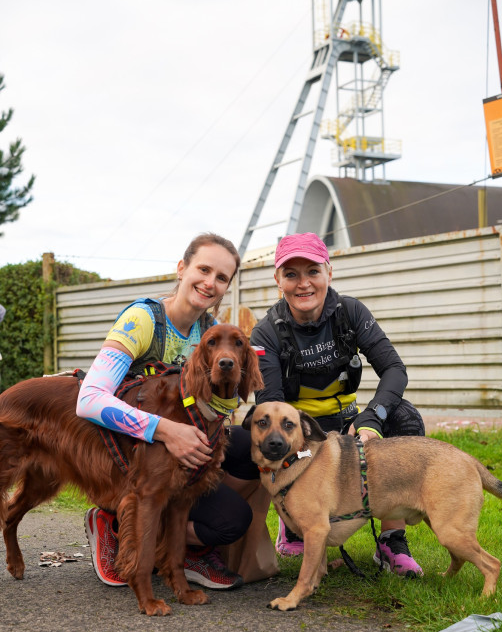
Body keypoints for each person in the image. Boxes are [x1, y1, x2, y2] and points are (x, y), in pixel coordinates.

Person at [77, 232, 260, 590]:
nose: (210, 282)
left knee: (248, 450)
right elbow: (89, 399)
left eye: (221, 277)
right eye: (203, 269)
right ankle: (114, 520)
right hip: (128, 450)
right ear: (181, 269)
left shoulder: (210, 332)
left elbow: (218, 409)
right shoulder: (144, 320)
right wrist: (164, 430)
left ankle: (181, 534)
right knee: (224, 515)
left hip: (175, 451)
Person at [249, 232, 426, 577]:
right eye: (291, 274)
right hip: (301, 436)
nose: (304, 284)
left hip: (350, 427)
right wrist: (306, 443)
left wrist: (372, 418)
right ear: (278, 280)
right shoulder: (266, 332)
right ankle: (294, 520)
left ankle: (392, 541)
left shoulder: (350, 312)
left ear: (329, 272)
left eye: (313, 271)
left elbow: (394, 369)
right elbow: (270, 405)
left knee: (404, 419)